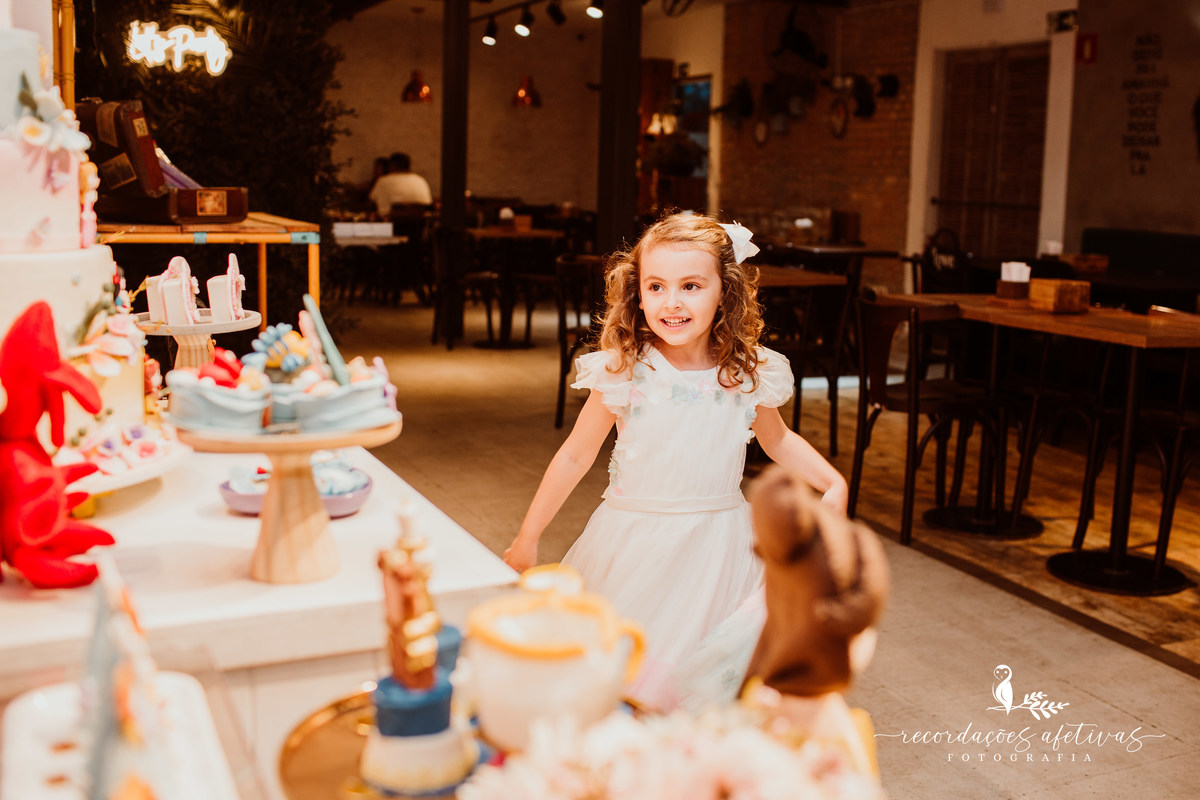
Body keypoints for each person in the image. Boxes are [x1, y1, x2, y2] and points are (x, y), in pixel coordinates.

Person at [504, 212, 848, 711]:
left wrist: (831, 481)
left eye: (690, 285)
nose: (672, 302)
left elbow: (777, 440)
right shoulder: (626, 368)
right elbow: (576, 453)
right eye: (656, 286)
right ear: (637, 293)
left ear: (723, 292)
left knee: (704, 682)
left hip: (719, 548)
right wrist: (528, 536)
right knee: (621, 677)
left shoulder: (745, 371)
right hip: (634, 544)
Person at [369, 152, 432, 217]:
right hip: (420, 224)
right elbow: (427, 203)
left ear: (391, 165)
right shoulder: (420, 180)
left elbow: (374, 203)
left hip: (391, 223)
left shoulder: (384, 181)